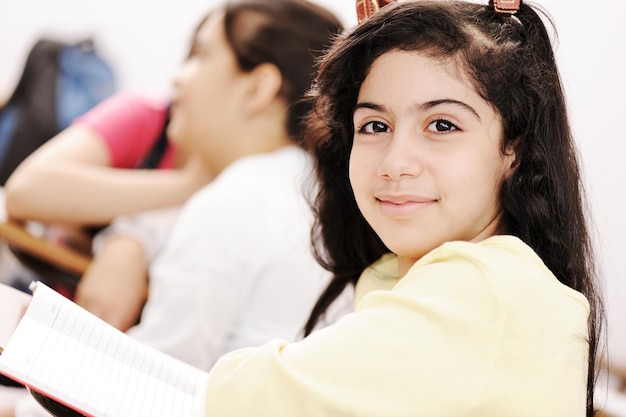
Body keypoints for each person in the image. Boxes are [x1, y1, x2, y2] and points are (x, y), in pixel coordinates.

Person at [2, 0, 605, 416]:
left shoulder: (485, 289)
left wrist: (28, 332)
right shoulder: (427, 276)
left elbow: (234, 401)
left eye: (441, 124)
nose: (396, 160)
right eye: (374, 125)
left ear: (512, 151)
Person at [4, 0, 344, 416]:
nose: (177, 78)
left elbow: (146, 392)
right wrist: (127, 238)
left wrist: (17, 409)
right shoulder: (316, 194)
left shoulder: (234, 202)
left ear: (257, 88)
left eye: (200, 56)